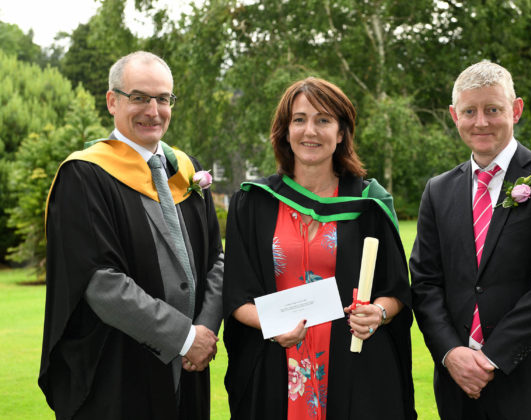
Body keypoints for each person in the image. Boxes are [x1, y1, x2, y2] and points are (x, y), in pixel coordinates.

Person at [39, 51, 224, 419]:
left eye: (163, 99)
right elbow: (99, 282)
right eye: (139, 97)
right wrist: (184, 338)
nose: (153, 111)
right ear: (112, 101)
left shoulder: (186, 171)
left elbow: (216, 260)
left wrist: (204, 329)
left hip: (189, 373)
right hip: (118, 368)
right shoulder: (85, 176)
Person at [222, 77, 416, 419]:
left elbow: (397, 289)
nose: (309, 130)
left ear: (341, 133)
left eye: (323, 120)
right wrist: (272, 324)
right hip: (277, 367)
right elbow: (236, 295)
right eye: (299, 119)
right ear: (285, 130)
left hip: (355, 367)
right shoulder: (252, 204)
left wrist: (379, 313)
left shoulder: (368, 204)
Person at [410, 61, 531, 420]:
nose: (481, 122)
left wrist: (490, 359)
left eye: (493, 109)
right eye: (469, 111)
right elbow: (426, 283)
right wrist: (451, 354)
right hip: (459, 389)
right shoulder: (438, 190)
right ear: (453, 115)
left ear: (516, 110)